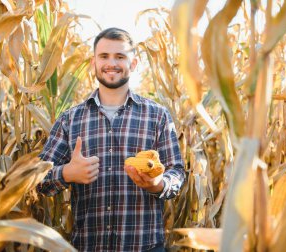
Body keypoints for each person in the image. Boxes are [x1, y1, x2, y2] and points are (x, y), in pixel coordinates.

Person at [37, 27, 186, 252]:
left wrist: (159, 184)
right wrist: (67, 173)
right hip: (89, 245)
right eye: (104, 56)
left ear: (133, 64)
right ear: (93, 63)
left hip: (144, 245)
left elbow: (177, 171)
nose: (111, 63)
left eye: (120, 56)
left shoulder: (157, 115)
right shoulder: (71, 119)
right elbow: (37, 179)